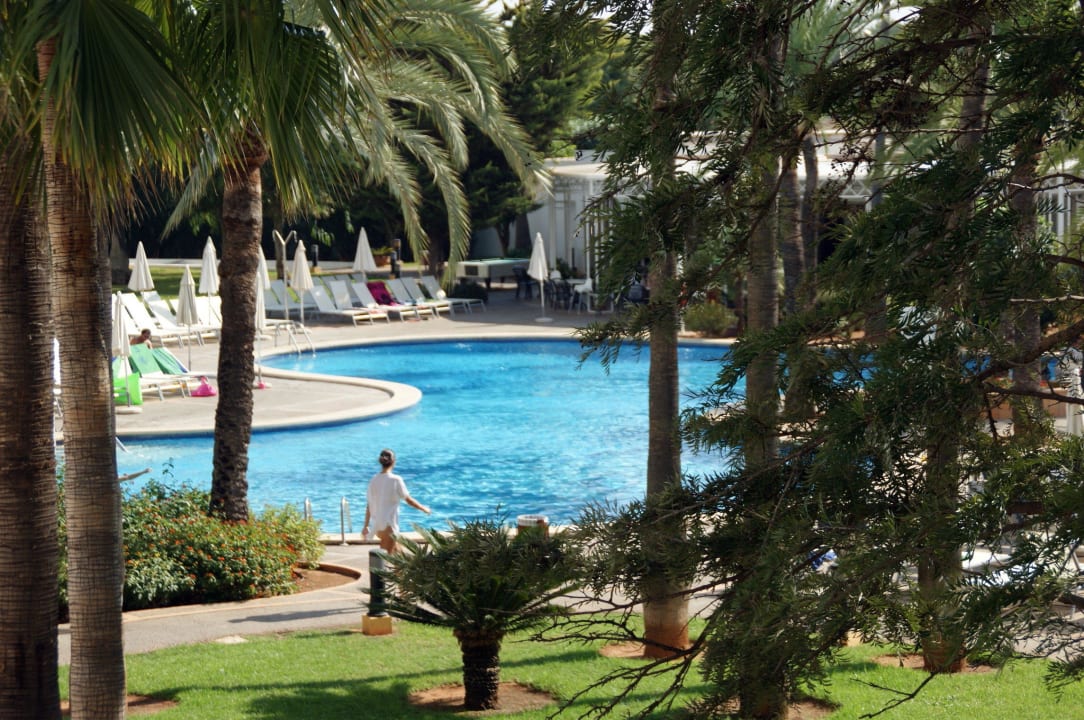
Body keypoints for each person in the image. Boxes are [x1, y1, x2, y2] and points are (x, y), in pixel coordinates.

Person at [362, 448, 430, 552]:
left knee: (399, 554)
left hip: (378, 526)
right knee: (385, 559)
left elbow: (369, 505)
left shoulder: (374, 479)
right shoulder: (396, 480)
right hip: (389, 527)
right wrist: (424, 508)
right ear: (393, 461)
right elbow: (408, 500)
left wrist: (366, 526)